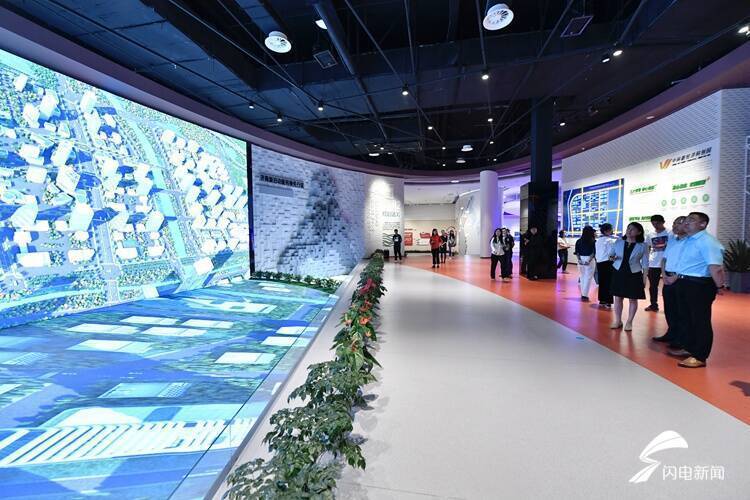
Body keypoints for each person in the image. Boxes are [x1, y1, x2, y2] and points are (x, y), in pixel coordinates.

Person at [666, 212, 726, 368]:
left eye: (691, 220)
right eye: (686, 220)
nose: (686, 222)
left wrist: (719, 286)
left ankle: (700, 356)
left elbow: (715, 267)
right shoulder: (689, 240)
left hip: (699, 285)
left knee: (700, 320)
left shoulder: (707, 241)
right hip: (684, 282)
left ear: (703, 224)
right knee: (686, 319)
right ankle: (689, 347)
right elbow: (686, 264)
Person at [652, 216, 687, 345]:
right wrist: (664, 275)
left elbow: (687, 262)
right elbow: (664, 259)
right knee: (670, 308)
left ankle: (681, 339)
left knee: (681, 310)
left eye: (678, 223)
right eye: (674, 223)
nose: (674, 226)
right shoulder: (672, 239)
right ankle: (671, 333)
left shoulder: (690, 242)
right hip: (667, 276)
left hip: (681, 278)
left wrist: (675, 276)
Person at [609, 222, 649, 331]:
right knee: (618, 297)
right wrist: (612, 257)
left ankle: (629, 321)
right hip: (619, 271)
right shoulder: (618, 241)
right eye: (628, 228)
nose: (629, 231)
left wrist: (644, 278)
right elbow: (611, 255)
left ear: (639, 232)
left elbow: (645, 263)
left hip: (634, 273)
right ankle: (618, 320)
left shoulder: (643, 245)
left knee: (633, 299)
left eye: (632, 229)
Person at [644, 214, 670, 312]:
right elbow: (647, 247)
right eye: (653, 224)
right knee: (653, 286)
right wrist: (646, 261)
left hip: (667, 263)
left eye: (657, 223)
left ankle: (669, 306)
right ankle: (653, 305)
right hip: (653, 263)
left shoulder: (670, 233)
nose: (655, 225)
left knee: (668, 286)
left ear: (663, 222)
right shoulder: (650, 234)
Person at [595, 223, 617, 308]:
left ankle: (602, 300)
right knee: (609, 282)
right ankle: (608, 301)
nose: (612, 230)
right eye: (611, 229)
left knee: (602, 282)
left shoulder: (598, 240)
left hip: (599, 263)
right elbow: (611, 254)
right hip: (607, 263)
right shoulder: (610, 241)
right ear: (607, 230)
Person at [574, 226, 596, 301]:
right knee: (588, 277)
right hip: (589, 259)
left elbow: (577, 252)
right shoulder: (593, 241)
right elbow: (593, 252)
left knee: (582, 277)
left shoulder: (578, 241)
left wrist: (579, 260)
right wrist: (589, 260)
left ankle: (583, 293)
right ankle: (585, 295)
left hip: (580, 259)